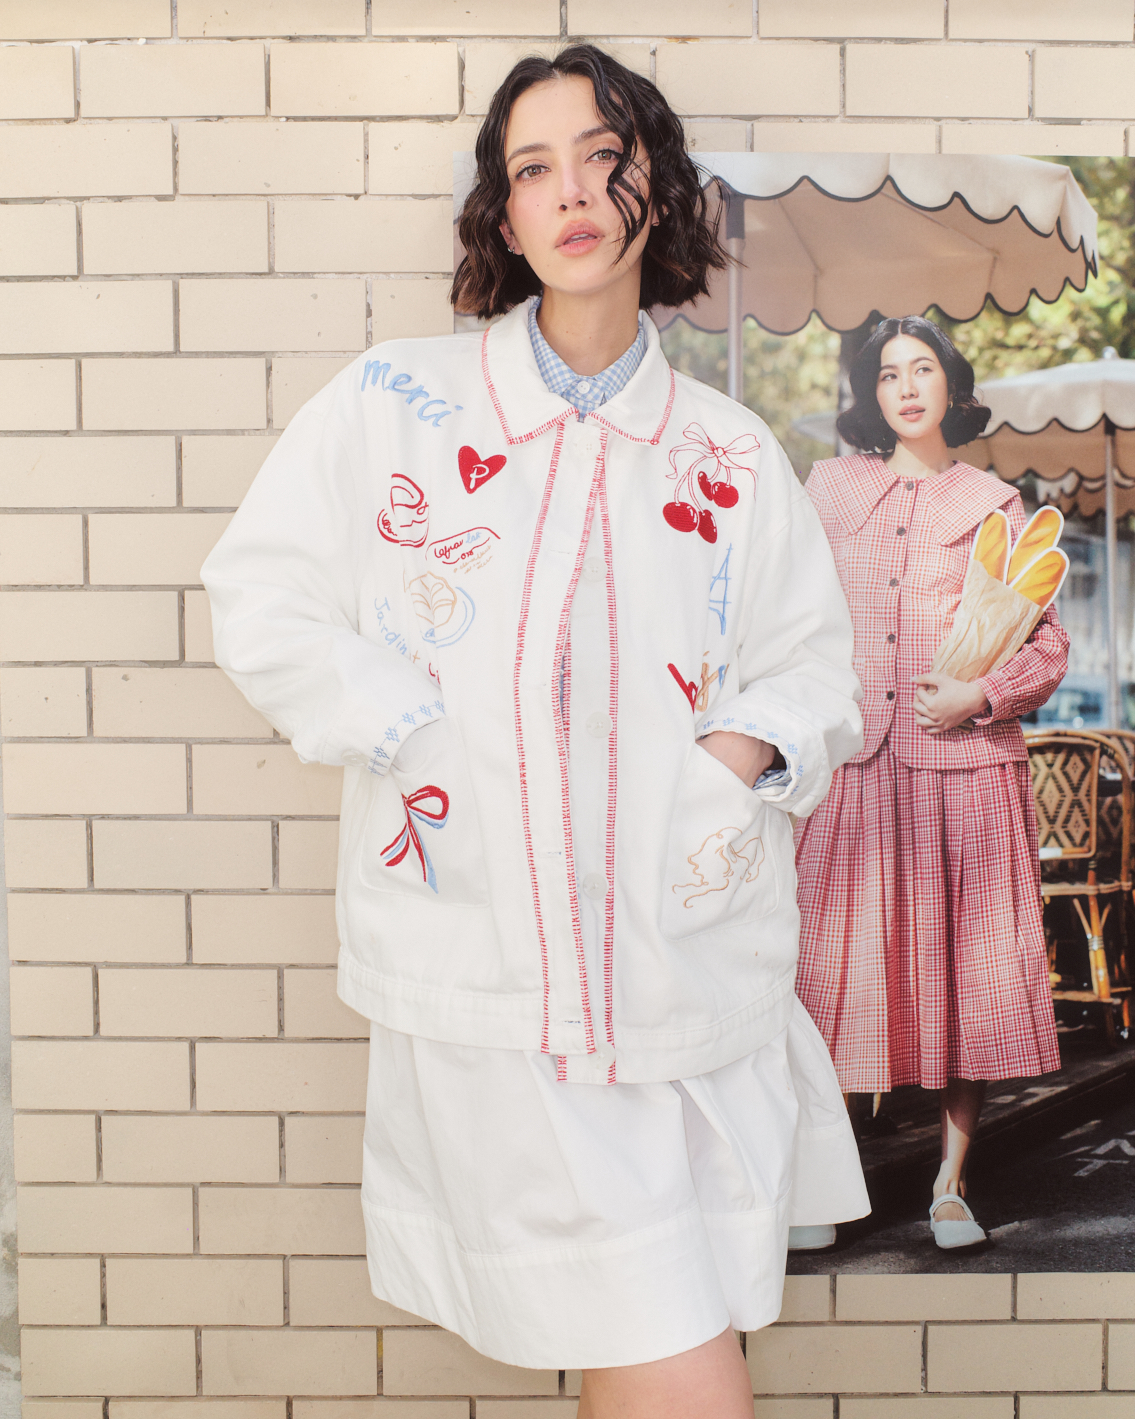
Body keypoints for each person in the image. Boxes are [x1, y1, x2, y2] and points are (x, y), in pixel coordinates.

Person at [203, 44, 868, 1419]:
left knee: (654, 1341)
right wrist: (411, 727)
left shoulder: (730, 454)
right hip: (493, 972)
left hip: (681, 970)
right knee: (674, 1357)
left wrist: (729, 763)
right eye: (532, 167)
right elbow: (260, 597)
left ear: (653, 189)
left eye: (602, 157)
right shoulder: (396, 405)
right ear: (502, 216)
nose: (570, 190)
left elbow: (810, 668)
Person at [795, 315, 1068, 1251]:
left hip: (964, 768)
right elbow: (784, 612)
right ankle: (820, 1182)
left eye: (922, 369)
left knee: (967, 971)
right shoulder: (827, 490)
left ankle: (949, 1187)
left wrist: (980, 693)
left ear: (952, 384)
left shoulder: (996, 505)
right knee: (827, 972)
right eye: (886, 374)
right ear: (867, 393)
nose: (906, 387)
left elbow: (1046, 643)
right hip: (851, 767)